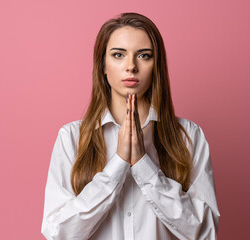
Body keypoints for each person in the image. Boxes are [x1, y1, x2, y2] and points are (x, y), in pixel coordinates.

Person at [41, 12, 220, 240]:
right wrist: (118, 164)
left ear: (157, 66)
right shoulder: (71, 138)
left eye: (144, 56)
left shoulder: (188, 136)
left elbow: (205, 231)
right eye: (118, 55)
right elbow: (59, 233)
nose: (131, 66)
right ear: (102, 66)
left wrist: (144, 165)